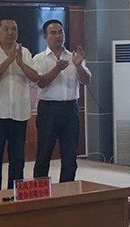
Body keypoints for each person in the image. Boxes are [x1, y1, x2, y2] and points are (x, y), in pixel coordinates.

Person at [0, 18, 39, 190]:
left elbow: (35, 77)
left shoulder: (25, 52)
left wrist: (19, 62)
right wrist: (9, 60)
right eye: (6, 29)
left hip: (19, 113)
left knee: (18, 159)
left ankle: (15, 195)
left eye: (14, 29)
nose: (10, 32)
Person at [33, 19, 91, 182]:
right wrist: (57, 68)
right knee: (43, 154)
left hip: (70, 109)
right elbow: (41, 82)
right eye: (53, 33)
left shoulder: (74, 57)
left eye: (60, 32)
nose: (58, 36)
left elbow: (87, 81)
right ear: (45, 36)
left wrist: (78, 65)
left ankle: (67, 191)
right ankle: (41, 192)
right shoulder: (39, 58)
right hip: (48, 110)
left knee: (70, 156)